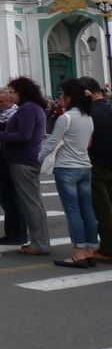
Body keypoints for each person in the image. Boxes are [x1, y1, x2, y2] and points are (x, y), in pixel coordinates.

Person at [41, 78, 97, 268]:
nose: (59, 97)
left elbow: (52, 142)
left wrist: (39, 157)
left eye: (61, 94)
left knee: (73, 212)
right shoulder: (88, 117)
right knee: (87, 212)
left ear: (69, 96)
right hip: (85, 167)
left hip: (67, 168)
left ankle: (78, 253)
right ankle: (90, 250)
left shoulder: (66, 118)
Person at [0, 76, 51, 256]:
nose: (10, 96)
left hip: (23, 160)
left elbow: (23, 135)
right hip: (30, 158)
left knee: (30, 203)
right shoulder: (34, 108)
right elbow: (23, 129)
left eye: (12, 92)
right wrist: (1, 126)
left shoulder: (27, 108)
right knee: (34, 202)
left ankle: (39, 244)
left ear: (21, 92)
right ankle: (38, 241)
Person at [0, 87, 26, 244]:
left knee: (13, 196)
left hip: (8, 156)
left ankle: (18, 233)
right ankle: (11, 232)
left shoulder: (16, 113)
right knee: (4, 195)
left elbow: (16, 133)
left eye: (0, 101)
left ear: (10, 100)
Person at [86, 79, 111, 263]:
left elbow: (87, 142)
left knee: (103, 209)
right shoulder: (108, 108)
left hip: (98, 165)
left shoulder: (92, 114)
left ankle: (108, 249)